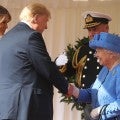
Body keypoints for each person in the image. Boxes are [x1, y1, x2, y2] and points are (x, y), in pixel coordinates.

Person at [0, 3, 69, 120]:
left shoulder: (5, 39)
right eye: (46, 21)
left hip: (7, 106)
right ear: (36, 18)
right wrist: (67, 88)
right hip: (26, 107)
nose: (46, 26)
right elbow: (45, 67)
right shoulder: (31, 36)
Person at [68, 32, 120, 120]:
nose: (95, 54)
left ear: (111, 53)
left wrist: (100, 111)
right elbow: (93, 93)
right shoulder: (104, 70)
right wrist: (73, 90)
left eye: (98, 50)